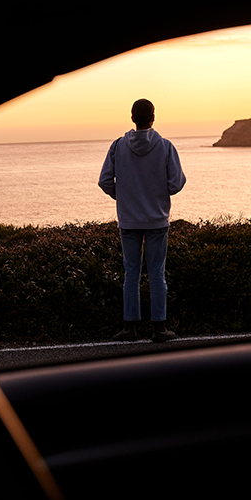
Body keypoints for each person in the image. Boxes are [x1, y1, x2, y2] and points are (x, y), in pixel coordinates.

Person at [98, 98, 186, 342]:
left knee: (131, 274)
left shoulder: (118, 146)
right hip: (157, 219)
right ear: (153, 118)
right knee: (157, 274)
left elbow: (105, 181)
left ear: (132, 118)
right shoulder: (166, 147)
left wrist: (124, 196)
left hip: (129, 220)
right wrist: (156, 193)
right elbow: (176, 183)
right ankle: (159, 329)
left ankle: (129, 328)